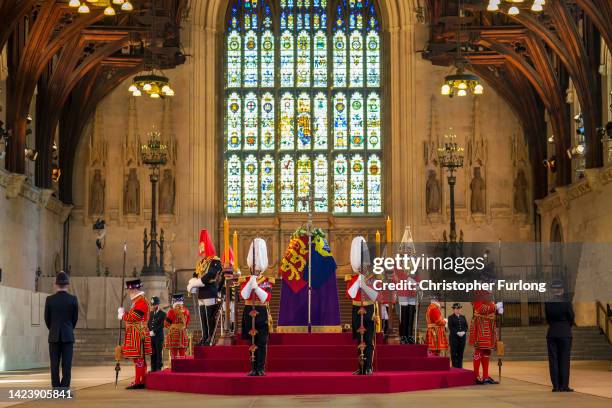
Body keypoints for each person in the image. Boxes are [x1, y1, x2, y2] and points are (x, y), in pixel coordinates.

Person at [239, 238, 273, 376]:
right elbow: (243, 295)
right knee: (252, 342)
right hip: (249, 311)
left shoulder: (267, 280)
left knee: (261, 342)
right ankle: (253, 367)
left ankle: (260, 367)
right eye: (253, 266)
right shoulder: (246, 279)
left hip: (261, 311)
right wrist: (251, 282)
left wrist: (257, 288)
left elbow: (266, 297)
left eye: (257, 266)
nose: (255, 268)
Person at [346, 236, 378, 375]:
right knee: (359, 340)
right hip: (355, 308)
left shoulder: (372, 277)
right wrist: (357, 282)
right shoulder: (352, 278)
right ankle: (361, 367)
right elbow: (351, 295)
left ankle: (369, 366)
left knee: (369, 339)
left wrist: (364, 285)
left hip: (369, 309)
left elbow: (376, 295)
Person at [187, 229, 223, 346]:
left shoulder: (214, 260)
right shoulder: (200, 262)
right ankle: (205, 336)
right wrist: (192, 282)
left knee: (209, 316)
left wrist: (198, 282)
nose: (201, 252)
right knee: (202, 316)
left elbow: (211, 274)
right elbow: (195, 274)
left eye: (203, 249)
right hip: (201, 293)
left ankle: (210, 338)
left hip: (209, 290)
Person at [44, 272, 78, 389]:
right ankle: (64, 388)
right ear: (67, 285)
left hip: (53, 336)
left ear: (55, 284)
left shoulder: (50, 299)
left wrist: (53, 328)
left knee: (54, 364)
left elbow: (47, 319)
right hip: (68, 335)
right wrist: (68, 329)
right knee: (67, 364)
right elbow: (74, 319)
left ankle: (55, 388)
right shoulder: (73, 299)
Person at [118, 279, 152, 389]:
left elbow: (133, 318)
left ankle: (139, 381)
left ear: (133, 290)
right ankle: (141, 379)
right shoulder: (137, 302)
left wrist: (122, 315)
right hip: (136, 332)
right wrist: (124, 313)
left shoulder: (141, 302)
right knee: (139, 358)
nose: (128, 292)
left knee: (139, 358)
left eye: (129, 290)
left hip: (138, 333)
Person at [545, 279, 575, 392]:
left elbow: (548, 319)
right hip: (565, 333)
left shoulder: (548, 303)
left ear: (552, 291)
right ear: (562, 290)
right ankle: (564, 386)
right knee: (564, 359)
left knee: (553, 360)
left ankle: (556, 386)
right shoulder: (566, 302)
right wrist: (567, 326)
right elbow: (571, 317)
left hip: (552, 333)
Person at [469, 290, 503, 384]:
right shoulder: (477, 292)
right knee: (479, 349)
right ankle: (476, 376)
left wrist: (498, 309)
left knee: (487, 350)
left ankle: (485, 376)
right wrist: (495, 306)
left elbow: (490, 308)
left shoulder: (489, 292)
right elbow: (480, 308)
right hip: (481, 325)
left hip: (489, 324)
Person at [164, 293, 191, 359]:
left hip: (174, 334)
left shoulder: (171, 311)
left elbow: (166, 324)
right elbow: (187, 324)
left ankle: (175, 367)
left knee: (174, 354)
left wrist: (172, 327)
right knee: (182, 353)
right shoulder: (186, 311)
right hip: (183, 334)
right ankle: (183, 367)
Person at [148, 296, 166, 371]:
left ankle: (158, 367)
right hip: (152, 336)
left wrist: (154, 331)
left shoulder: (162, 314)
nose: (152, 306)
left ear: (157, 304)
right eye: (152, 305)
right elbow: (149, 323)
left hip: (158, 336)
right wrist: (149, 330)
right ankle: (153, 367)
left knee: (158, 353)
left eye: (154, 305)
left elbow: (162, 325)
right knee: (152, 353)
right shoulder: (151, 313)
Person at [448, 303, 468, 368]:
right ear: (453, 309)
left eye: (458, 309)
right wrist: (457, 332)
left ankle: (460, 367)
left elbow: (466, 326)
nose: (458, 310)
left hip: (462, 338)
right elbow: (451, 327)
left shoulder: (463, 317)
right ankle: (454, 367)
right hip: (454, 338)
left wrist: (464, 331)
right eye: (456, 309)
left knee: (460, 353)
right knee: (454, 353)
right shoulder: (450, 317)